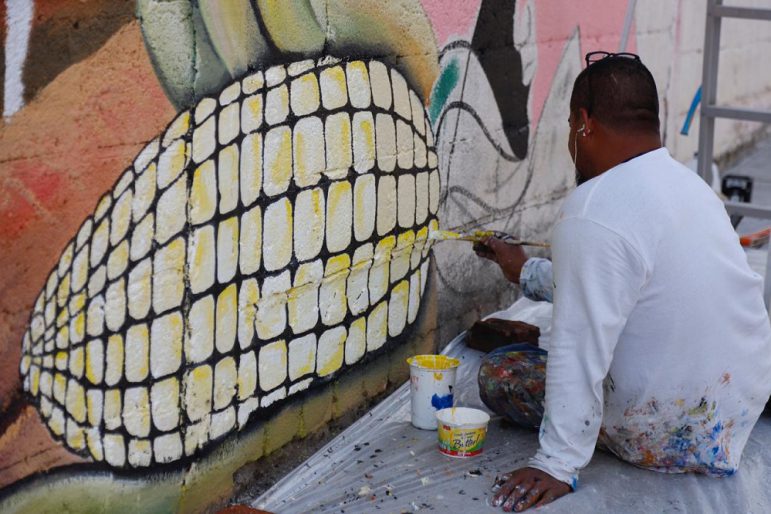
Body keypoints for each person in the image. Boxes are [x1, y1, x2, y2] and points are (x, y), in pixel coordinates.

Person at [474, 51, 771, 512]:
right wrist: (525, 271)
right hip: (734, 411)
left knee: (500, 372)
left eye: (569, 126)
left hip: (668, 430)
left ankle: (589, 445)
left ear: (583, 123)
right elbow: (622, 283)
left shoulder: (592, 210)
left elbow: (577, 346)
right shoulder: (690, 186)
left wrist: (557, 462)